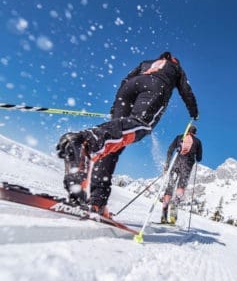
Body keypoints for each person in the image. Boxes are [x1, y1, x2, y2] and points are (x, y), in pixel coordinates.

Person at [56, 52, 199, 218]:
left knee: (114, 144)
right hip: (154, 87)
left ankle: (97, 202)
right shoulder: (176, 68)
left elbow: (126, 79)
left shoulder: (147, 62)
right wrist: (194, 112)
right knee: (141, 125)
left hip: (129, 88)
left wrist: (115, 107)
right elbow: (186, 91)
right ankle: (86, 141)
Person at [161, 124, 202, 224]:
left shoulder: (179, 137)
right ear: (195, 132)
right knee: (180, 187)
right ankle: (173, 214)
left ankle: (163, 214)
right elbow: (199, 158)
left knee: (170, 187)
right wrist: (195, 154)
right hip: (186, 166)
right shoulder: (197, 141)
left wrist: (167, 164)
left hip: (175, 164)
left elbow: (170, 150)